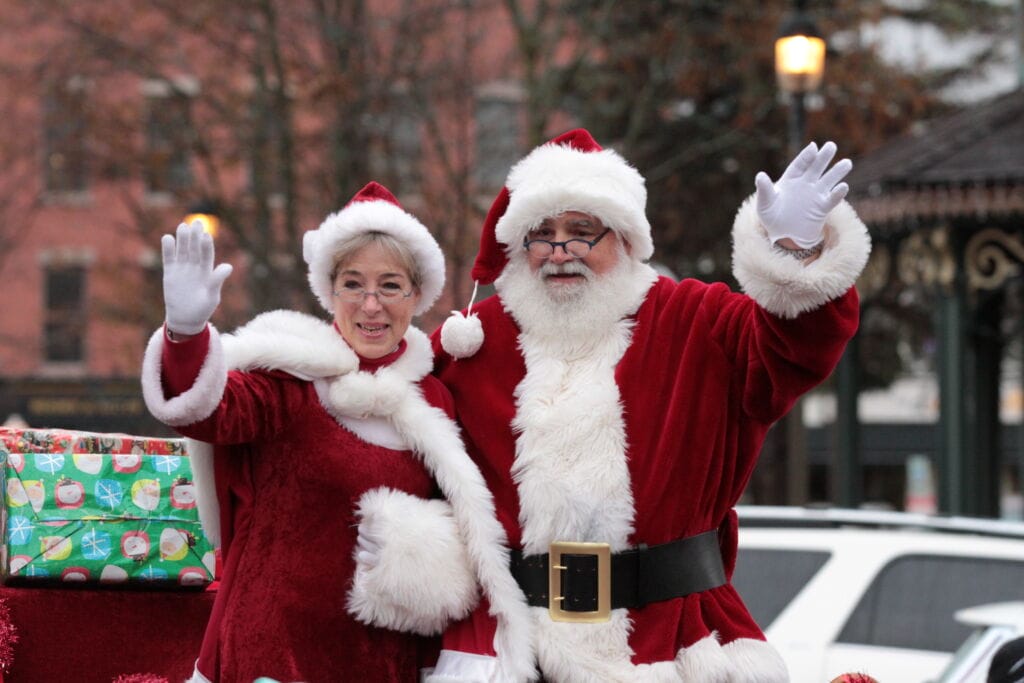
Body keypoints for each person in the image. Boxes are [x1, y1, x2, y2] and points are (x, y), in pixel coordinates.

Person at [429, 129, 871, 682]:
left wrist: (795, 254)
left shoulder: (696, 321)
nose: (560, 251)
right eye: (542, 235)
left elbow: (795, 349)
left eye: (582, 231)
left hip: (675, 645)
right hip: (514, 653)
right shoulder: (471, 344)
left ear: (626, 239)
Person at [141, 182, 531, 683]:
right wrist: (185, 335)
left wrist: (427, 554)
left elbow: (474, 525)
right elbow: (206, 411)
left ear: (416, 297)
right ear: (331, 293)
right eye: (353, 284)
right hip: (274, 653)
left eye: (390, 286)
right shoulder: (290, 380)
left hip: (382, 660)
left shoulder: (435, 401)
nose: (371, 306)